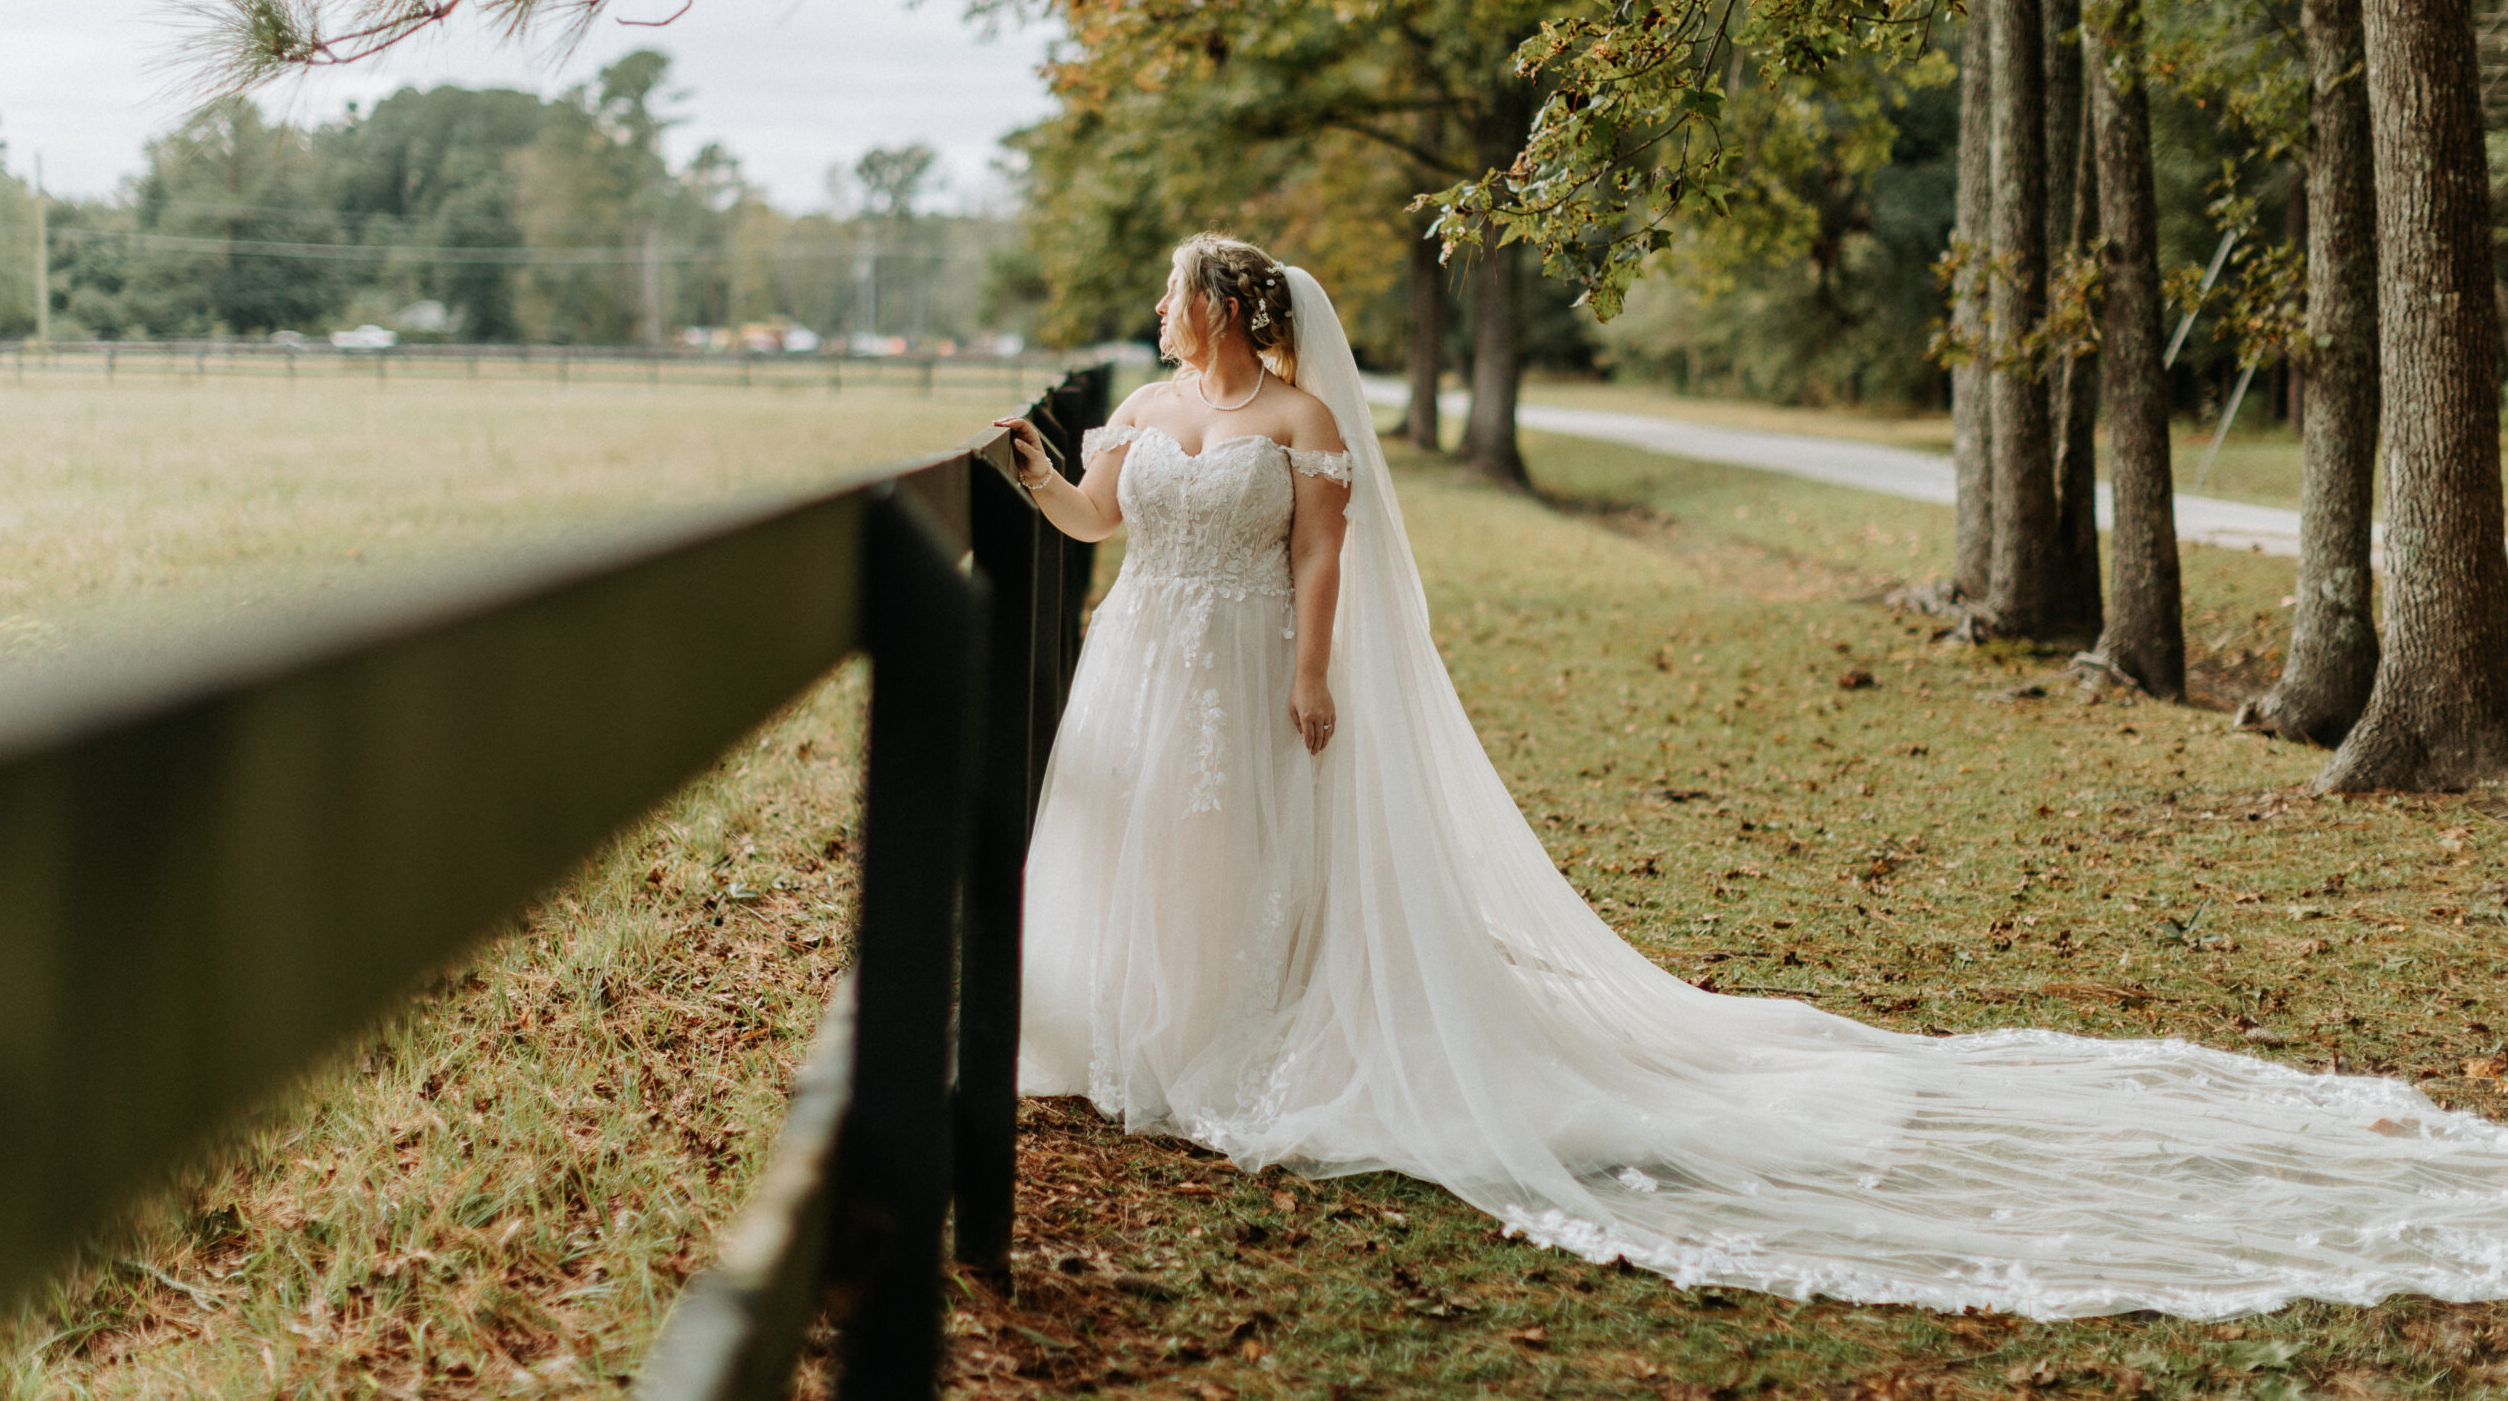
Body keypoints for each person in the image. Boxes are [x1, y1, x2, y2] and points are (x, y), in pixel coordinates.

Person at [993, 233, 2508, 1322]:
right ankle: (1147, 1031)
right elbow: (1085, 524)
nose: (1163, 314)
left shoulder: (1302, 422)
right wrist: (1023, 470)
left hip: (1251, 662)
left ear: (1229, 311)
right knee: (1150, 856)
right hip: (1149, 656)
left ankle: (1231, 1039)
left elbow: (1325, 558)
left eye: (1177, 299)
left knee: (1246, 855)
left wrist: (1312, 675)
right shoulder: (1148, 415)